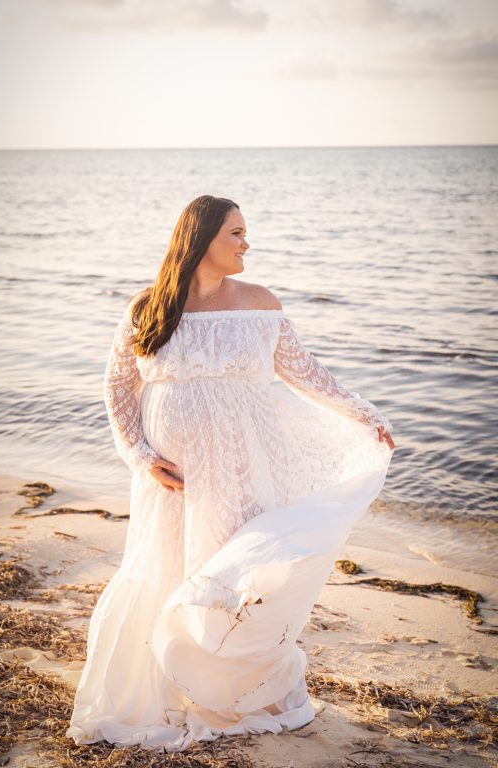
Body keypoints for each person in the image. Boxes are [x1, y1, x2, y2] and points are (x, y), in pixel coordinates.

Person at [67, 195, 395, 750]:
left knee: (236, 572)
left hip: (248, 464)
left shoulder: (261, 303)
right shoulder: (149, 307)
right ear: (200, 241)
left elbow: (305, 374)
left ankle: (233, 692)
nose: (247, 243)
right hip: (175, 476)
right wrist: (142, 458)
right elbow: (119, 389)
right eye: (236, 233)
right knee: (168, 567)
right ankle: (168, 686)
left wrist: (365, 415)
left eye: (246, 233)